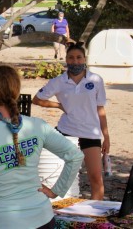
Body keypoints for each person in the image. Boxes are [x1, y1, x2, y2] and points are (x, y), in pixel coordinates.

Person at [0, 65, 84, 228]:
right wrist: (56, 190)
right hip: (42, 218)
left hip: (2, 222)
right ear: (17, 91)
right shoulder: (37, 126)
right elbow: (75, 155)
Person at [32, 43, 110, 200]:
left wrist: (106, 137)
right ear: (66, 59)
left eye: (79, 58)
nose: (75, 62)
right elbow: (37, 99)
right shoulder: (58, 81)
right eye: (71, 58)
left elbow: (100, 109)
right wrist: (59, 105)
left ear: (85, 59)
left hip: (90, 134)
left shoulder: (96, 80)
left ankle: (95, 218)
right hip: (66, 133)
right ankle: (55, 212)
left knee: (96, 178)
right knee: (60, 177)